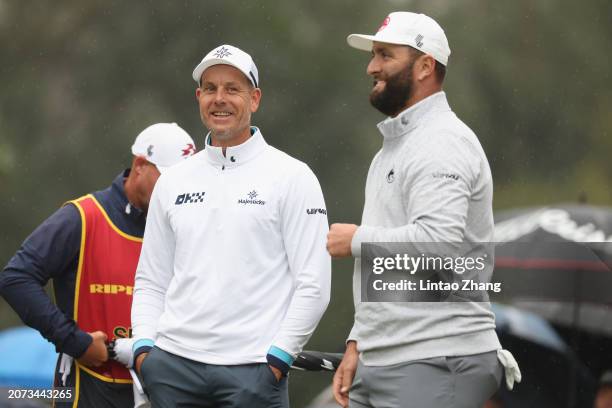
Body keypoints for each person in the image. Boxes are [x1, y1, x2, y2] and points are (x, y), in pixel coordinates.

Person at [326, 12, 520, 407]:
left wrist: (358, 240)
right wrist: (359, 340)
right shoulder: (394, 147)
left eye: (385, 55)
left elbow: (441, 244)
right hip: (392, 356)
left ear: (425, 66)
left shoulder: (442, 142)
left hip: (436, 356)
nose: (371, 67)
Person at [130, 44, 331, 408]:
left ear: (254, 99)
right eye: (210, 88)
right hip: (172, 369)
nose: (219, 99)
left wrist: (278, 359)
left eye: (232, 89)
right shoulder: (173, 181)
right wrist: (145, 350)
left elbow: (314, 285)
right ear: (198, 97)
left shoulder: (292, 177)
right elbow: (151, 279)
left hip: (254, 372)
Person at [0, 123, 196, 407]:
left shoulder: (182, 230)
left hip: (158, 392)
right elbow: (16, 279)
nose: (174, 193)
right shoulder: (84, 216)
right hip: (84, 390)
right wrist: (75, 342)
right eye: (167, 181)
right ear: (140, 165)